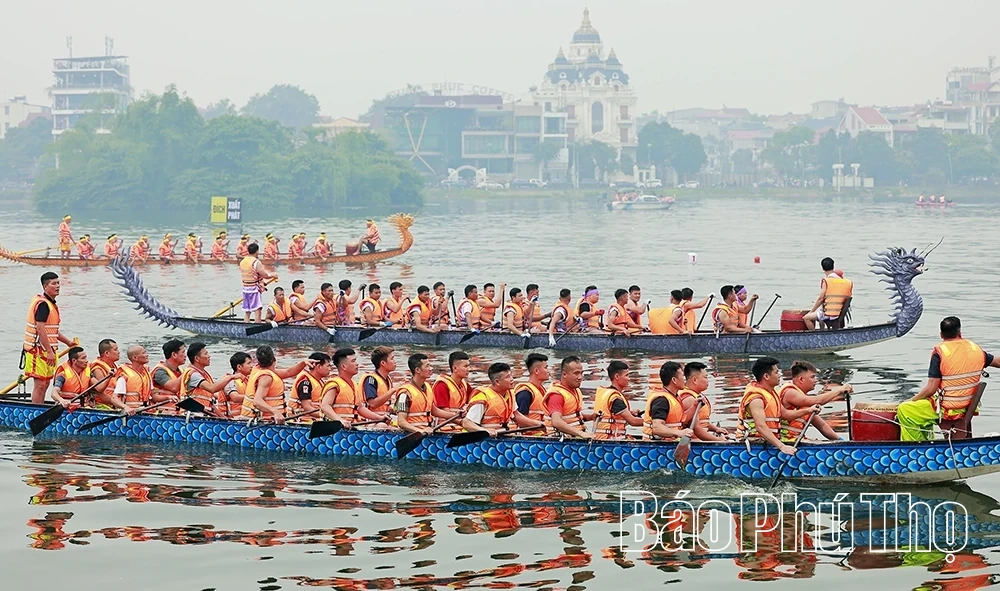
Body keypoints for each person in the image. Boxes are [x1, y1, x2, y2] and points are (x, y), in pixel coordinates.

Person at [897, 317, 1000, 441]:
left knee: (906, 410)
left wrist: (911, 400)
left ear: (941, 334)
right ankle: (927, 443)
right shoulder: (975, 349)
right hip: (968, 405)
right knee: (922, 406)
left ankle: (914, 450)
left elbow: (931, 388)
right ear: (960, 332)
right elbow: (997, 362)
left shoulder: (939, 352)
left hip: (949, 409)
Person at [737, 357, 818, 455]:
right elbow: (760, 427)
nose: (779, 375)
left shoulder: (771, 392)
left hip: (768, 443)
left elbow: (786, 414)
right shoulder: (756, 399)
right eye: (776, 372)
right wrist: (782, 447)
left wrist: (809, 410)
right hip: (752, 447)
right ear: (766, 376)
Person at [23, 272, 76, 403]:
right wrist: (50, 352)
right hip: (38, 350)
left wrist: (68, 342)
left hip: (48, 350)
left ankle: (40, 407)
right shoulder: (43, 305)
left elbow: (52, 330)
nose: (57, 286)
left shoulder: (51, 304)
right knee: (40, 385)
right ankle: (36, 412)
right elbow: (40, 330)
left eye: (58, 283)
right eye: (54, 283)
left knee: (46, 383)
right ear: (45, 286)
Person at [776, 360, 850, 441]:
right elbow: (817, 401)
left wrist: (841, 441)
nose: (816, 380)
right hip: (783, 442)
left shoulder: (803, 400)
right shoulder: (790, 392)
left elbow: (822, 426)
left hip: (795, 441)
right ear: (801, 379)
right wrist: (839, 390)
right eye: (812, 377)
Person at [240, 345, 310, 423]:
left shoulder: (258, 369)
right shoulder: (266, 377)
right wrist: (275, 412)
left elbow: (288, 372)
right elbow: (257, 401)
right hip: (263, 422)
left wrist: (304, 362)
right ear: (274, 359)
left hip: (252, 419)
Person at [320, 348, 390, 426]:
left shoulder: (353, 384)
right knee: (381, 426)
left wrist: (379, 418)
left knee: (382, 424)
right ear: (344, 366)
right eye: (353, 361)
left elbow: (360, 408)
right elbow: (325, 406)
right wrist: (340, 420)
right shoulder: (334, 384)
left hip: (352, 426)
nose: (357, 364)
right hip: (337, 427)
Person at [396, 353, 452, 434]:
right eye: (427, 366)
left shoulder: (428, 387)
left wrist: (455, 415)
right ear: (417, 370)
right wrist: (420, 431)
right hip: (412, 434)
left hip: (427, 431)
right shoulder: (405, 393)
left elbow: (434, 411)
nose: (431, 368)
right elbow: (401, 422)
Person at [543, 356, 597, 438]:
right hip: (560, 442)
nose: (580, 377)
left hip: (575, 438)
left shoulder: (576, 391)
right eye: (576, 373)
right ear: (564, 374)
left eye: (581, 373)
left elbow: (572, 416)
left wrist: (590, 417)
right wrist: (581, 434)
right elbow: (556, 421)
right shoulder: (556, 395)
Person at [179, 343, 237, 417]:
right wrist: (231, 377)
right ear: (197, 358)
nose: (209, 356)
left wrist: (222, 417)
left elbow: (209, 402)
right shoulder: (193, 374)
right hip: (190, 416)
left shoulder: (205, 375)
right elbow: (212, 388)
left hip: (202, 416)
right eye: (206, 354)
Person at [642, 362, 695, 441]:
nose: (685, 379)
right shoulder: (661, 400)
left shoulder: (674, 396)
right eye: (682, 376)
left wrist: (695, 406)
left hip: (671, 442)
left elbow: (680, 420)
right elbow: (657, 428)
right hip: (656, 447)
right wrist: (679, 433)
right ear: (674, 380)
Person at [462, 362, 518, 436]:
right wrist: (485, 430)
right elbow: (466, 423)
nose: (512, 379)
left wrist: (536, 424)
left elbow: (517, 416)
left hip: (502, 436)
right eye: (508, 377)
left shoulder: (510, 394)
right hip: (484, 441)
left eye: (511, 375)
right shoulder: (483, 398)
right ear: (497, 382)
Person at [678, 361, 729, 441]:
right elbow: (697, 430)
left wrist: (715, 429)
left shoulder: (697, 395)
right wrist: (719, 440)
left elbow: (703, 422)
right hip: (695, 442)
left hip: (702, 439)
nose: (707, 380)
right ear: (695, 380)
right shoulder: (689, 399)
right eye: (705, 377)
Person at [593, 361, 644, 440]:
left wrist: (630, 413)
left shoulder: (608, 393)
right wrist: (653, 423)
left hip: (602, 439)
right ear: (617, 376)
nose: (629, 379)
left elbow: (614, 416)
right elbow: (633, 422)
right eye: (626, 375)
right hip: (609, 443)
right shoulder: (615, 399)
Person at [803, 257, 853, 330]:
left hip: (829, 314)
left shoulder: (827, 281)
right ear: (833, 266)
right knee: (820, 314)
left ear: (822, 268)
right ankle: (822, 331)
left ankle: (815, 336)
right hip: (839, 313)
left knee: (806, 318)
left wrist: (811, 311)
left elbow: (820, 299)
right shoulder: (847, 282)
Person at [432, 351, 473, 430]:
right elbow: (444, 412)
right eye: (466, 366)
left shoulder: (465, 385)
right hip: (444, 428)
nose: (469, 369)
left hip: (461, 427)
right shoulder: (442, 385)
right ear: (455, 368)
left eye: (469, 366)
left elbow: (474, 401)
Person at [109, 345, 153, 414]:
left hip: (144, 411)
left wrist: (167, 398)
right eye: (143, 353)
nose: (147, 355)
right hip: (130, 414)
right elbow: (114, 398)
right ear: (135, 357)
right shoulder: (125, 375)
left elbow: (153, 395)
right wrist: (126, 407)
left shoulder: (146, 373)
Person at [240, 242, 277, 323]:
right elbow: (264, 275)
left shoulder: (243, 261)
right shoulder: (256, 262)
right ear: (256, 251)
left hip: (245, 288)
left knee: (247, 309)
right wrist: (273, 275)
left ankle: (246, 323)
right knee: (258, 308)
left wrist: (262, 283)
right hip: (253, 288)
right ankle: (257, 324)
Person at [289, 352, 332, 421]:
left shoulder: (321, 382)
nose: (330, 369)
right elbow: (307, 407)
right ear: (318, 366)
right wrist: (328, 416)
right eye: (328, 366)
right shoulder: (305, 382)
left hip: (316, 421)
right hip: (302, 422)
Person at [512, 353, 549, 431]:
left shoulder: (542, 390)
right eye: (546, 368)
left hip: (544, 433)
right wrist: (541, 425)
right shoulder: (525, 393)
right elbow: (520, 422)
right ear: (536, 371)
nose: (548, 371)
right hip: (530, 437)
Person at [359, 347, 396, 416]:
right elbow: (372, 404)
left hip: (384, 420)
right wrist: (393, 390)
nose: (395, 361)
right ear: (383, 363)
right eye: (392, 358)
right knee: (382, 426)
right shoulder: (371, 379)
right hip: (370, 421)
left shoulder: (388, 379)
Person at [151, 339, 185, 411]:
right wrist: (189, 370)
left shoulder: (181, 371)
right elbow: (173, 387)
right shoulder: (160, 371)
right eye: (183, 352)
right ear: (174, 355)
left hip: (177, 411)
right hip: (162, 413)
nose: (185, 356)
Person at [88, 338, 120, 408]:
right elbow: (102, 395)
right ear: (107, 353)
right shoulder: (98, 369)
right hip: (102, 406)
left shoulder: (115, 366)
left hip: (115, 403)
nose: (119, 352)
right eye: (115, 349)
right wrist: (121, 404)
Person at [223, 352, 252, 418]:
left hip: (247, 418)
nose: (251, 366)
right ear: (239, 367)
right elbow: (235, 398)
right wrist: (255, 399)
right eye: (248, 363)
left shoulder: (247, 381)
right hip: (234, 420)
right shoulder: (230, 381)